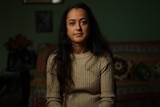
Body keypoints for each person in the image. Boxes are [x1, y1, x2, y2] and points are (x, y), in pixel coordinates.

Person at [46, 2, 115, 107]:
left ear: (90, 26)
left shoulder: (103, 58)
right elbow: (52, 99)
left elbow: (108, 99)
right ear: (66, 30)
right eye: (72, 23)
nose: (78, 27)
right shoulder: (55, 59)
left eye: (83, 22)